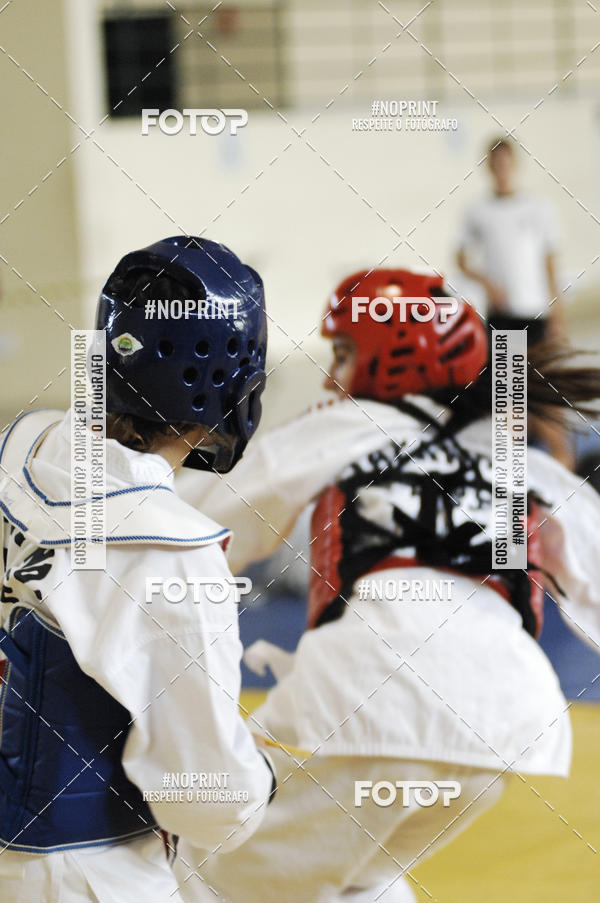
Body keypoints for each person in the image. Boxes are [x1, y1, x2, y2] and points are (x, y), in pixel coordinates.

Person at [176, 269, 600, 903]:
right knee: (360, 881)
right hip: (513, 729)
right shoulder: (523, 465)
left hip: (369, 698)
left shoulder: (355, 424)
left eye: (342, 353)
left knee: (197, 857)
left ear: (388, 361)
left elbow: (189, 525)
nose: (328, 378)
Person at [0, 236, 276, 902]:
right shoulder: (172, 550)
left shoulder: (20, 448)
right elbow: (208, 797)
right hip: (80, 868)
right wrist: (257, 779)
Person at [457, 136, 572, 466]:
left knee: (545, 398)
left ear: (514, 165)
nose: (501, 170)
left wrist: (557, 310)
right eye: (495, 164)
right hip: (502, 317)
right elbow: (462, 257)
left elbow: (550, 261)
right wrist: (487, 283)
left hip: (535, 316)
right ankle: (514, 473)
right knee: (508, 399)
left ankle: (565, 469)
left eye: (506, 163)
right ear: (489, 168)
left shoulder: (538, 208)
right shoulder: (477, 211)